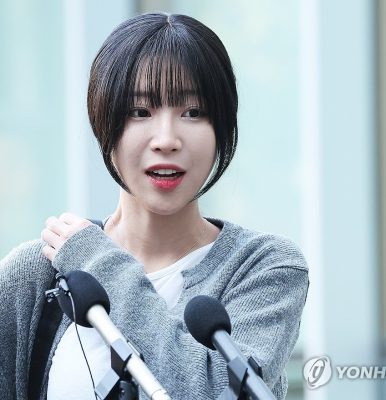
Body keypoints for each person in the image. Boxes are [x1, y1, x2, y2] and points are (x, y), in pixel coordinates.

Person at [0, 12, 309, 400]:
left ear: (222, 126)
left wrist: (103, 265)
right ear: (103, 120)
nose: (166, 139)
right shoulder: (37, 274)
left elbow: (217, 391)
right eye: (140, 112)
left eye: (193, 112)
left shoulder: (265, 268)